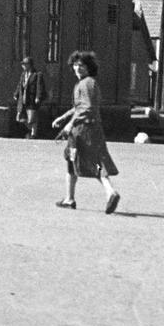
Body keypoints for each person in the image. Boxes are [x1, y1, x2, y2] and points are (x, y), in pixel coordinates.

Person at [50, 51, 121, 214]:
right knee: (88, 161)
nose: (77, 68)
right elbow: (79, 107)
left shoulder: (85, 84)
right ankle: (72, 197)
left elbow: (87, 107)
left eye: (81, 65)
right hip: (92, 128)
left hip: (83, 130)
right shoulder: (88, 83)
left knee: (75, 160)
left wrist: (70, 124)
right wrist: (63, 117)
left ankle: (106, 192)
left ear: (89, 67)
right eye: (75, 65)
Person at [13, 57, 47, 139]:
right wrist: (16, 94)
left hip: (32, 99)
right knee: (20, 117)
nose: (23, 66)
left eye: (24, 64)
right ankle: (32, 130)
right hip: (23, 99)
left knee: (32, 118)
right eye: (22, 64)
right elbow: (20, 85)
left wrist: (38, 97)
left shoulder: (37, 74)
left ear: (29, 65)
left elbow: (39, 86)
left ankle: (33, 134)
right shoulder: (23, 74)